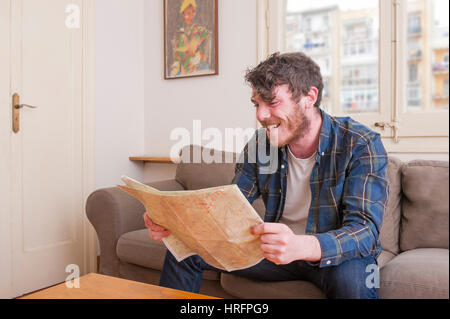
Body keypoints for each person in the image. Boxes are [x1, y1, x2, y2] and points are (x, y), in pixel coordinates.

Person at [144, 52, 390, 299]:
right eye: (256, 104)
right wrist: (176, 223)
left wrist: (300, 246)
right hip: (273, 252)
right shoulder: (261, 145)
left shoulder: (360, 144)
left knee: (352, 284)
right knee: (186, 250)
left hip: (336, 256)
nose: (260, 115)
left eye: (272, 103)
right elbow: (229, 209)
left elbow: (365, 231)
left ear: (309, 98)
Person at [169, 0, 212, 77]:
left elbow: (207, 38)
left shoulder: (200, 30)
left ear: (194, 13)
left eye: (189, 13)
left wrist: (204, 54)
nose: (186, 17)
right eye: (184, 14)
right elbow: (177, 55)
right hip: (183, 68)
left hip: (198, 66)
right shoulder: (179, 34)